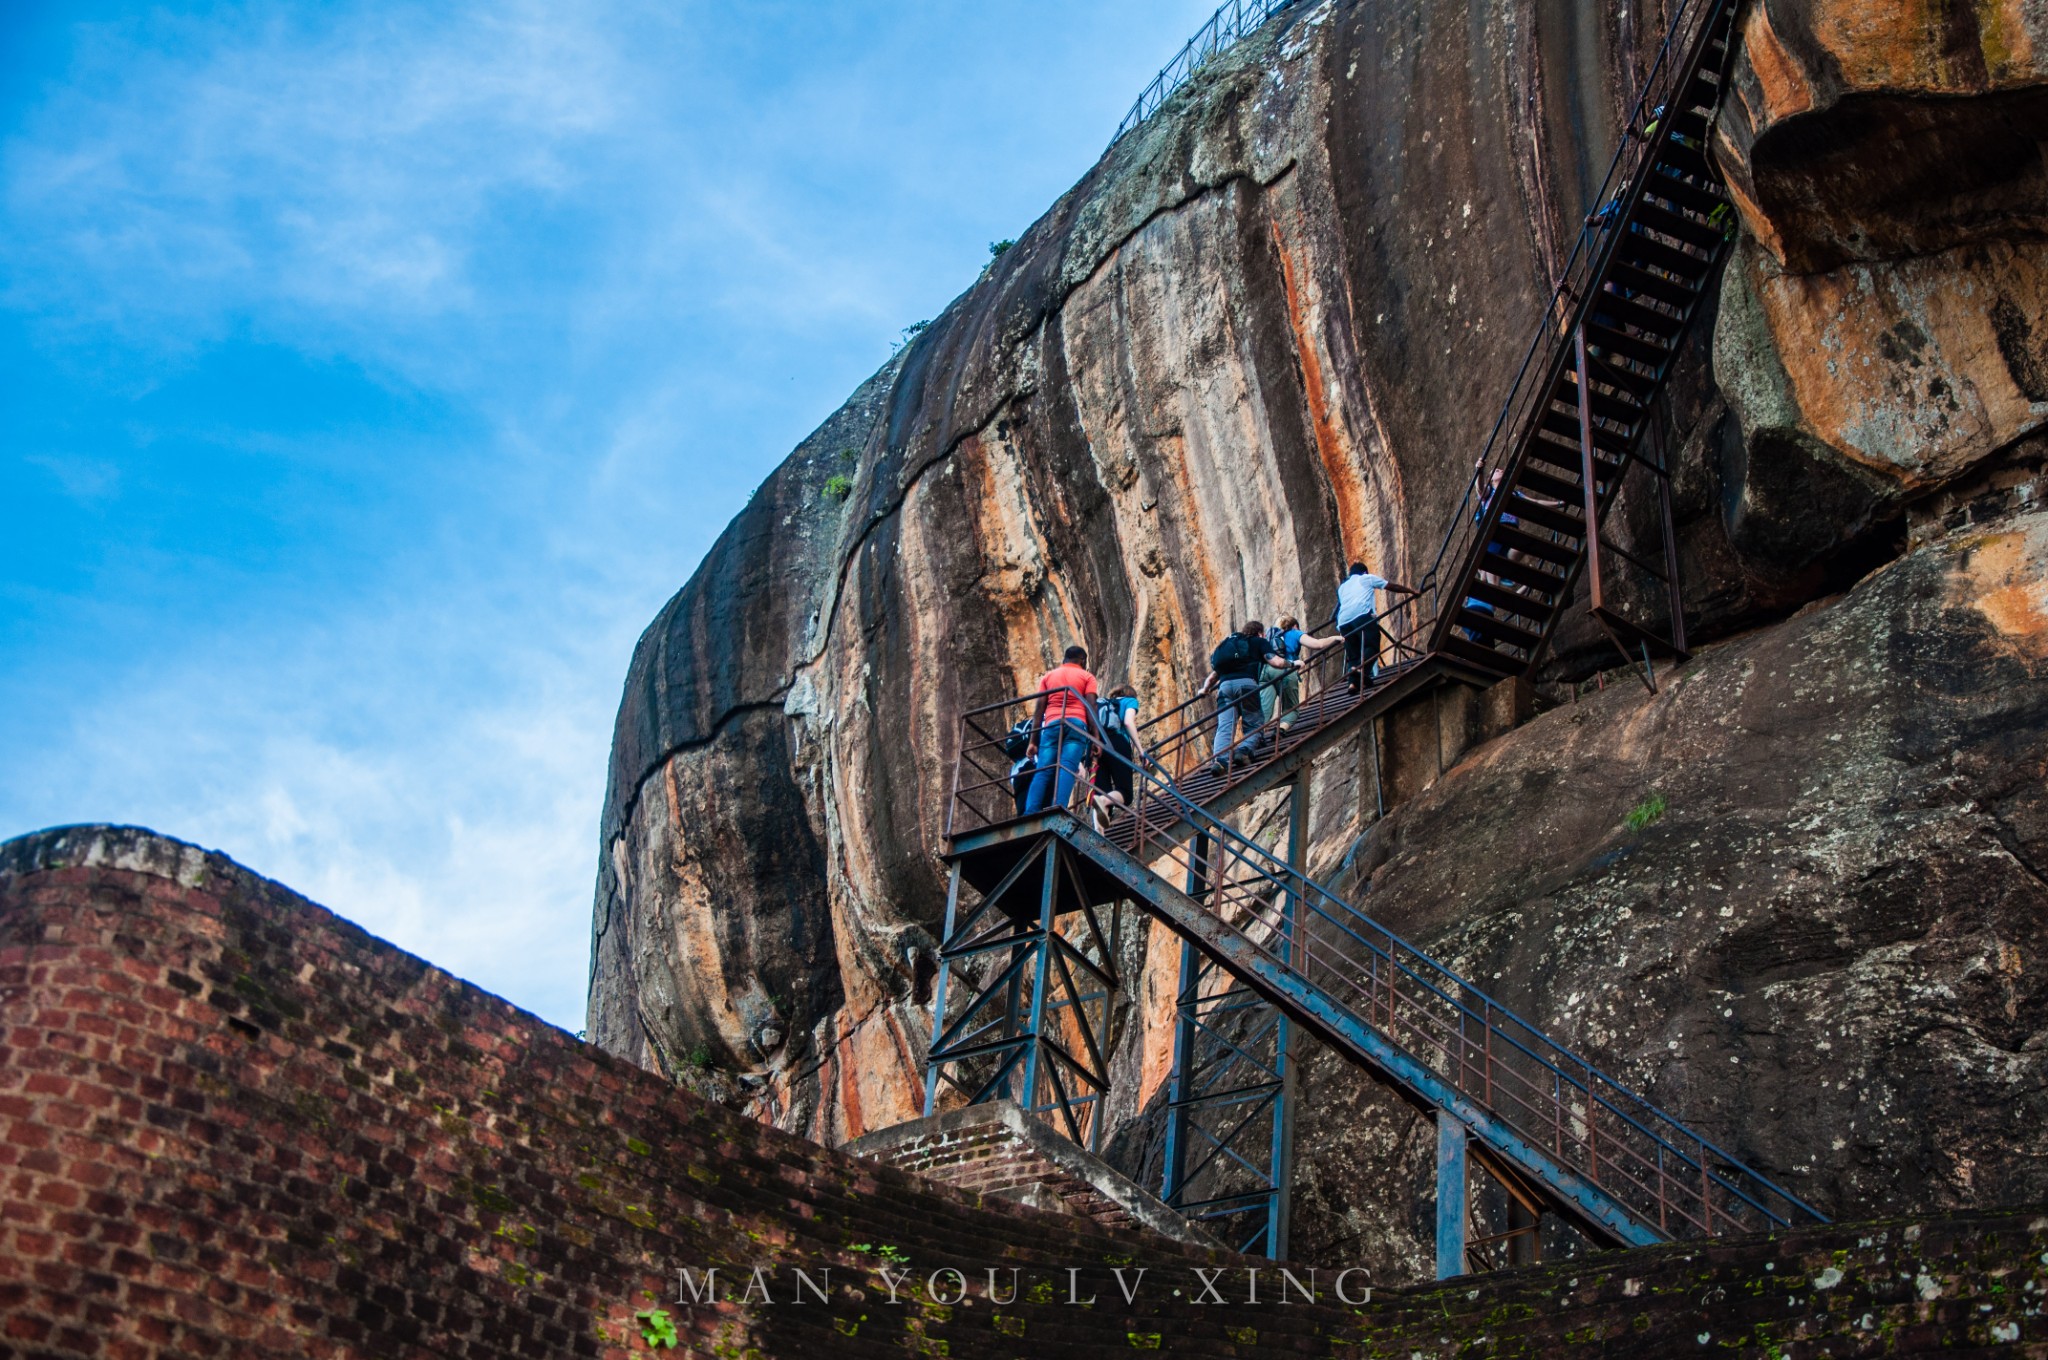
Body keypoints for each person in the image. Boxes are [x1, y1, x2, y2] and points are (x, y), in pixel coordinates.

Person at [1023, 645, 1099, 814]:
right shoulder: (1087, 676)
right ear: (1082, 660)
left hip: (1052, 724)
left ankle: (1030, 812)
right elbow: (1091, 706)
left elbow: (1039, 710)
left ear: (1065, 659)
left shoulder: (1049, 677)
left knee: (1043, 769)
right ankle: (1057, 809)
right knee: (1066, 768)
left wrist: (1033, 741)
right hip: (1076, 724)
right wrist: (1096, 738)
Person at [1199, 621, 1274, 775]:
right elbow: (1276, 661)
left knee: (1225, 726)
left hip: (1224, 688)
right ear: (1260, 632)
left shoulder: (1231, 649)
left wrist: (1205, 690)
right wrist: (1293, 664)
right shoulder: (1257, 643)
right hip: (1246, 685)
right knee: (1254, 723)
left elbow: (1213, 676)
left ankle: (1220, 761)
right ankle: (1244, 751)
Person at [1336, 563, 1415, 691]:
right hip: (1361, 615)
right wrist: (1412, 591)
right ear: (1364, 572)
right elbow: (1391, 586)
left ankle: (1352, 684)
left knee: (1353, 655)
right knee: (1372, 646)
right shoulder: (1366, 578)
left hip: (1344, 623)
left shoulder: (1342, 587)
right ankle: (1361, 669)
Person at [1260, 615, 1340, 732]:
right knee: (1291, 709)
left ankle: (1254, 738)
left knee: (1265, 711)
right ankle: (1280, 729)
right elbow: (1318, 644)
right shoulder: (1295, 633)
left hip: (1266, 672)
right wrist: (1335, 638)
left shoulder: (1270, 636)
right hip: (1285, 670)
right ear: (1295, 626)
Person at [1090, 684, 1146, 824]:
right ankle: (1103, 800)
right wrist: (1141, 750)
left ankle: (1099, 834)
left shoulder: (1102, 704)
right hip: (1117, 744)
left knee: (1101, 790)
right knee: (1125, 793)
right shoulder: (1129, 701)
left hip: (1096, 746)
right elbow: (1128, 722)